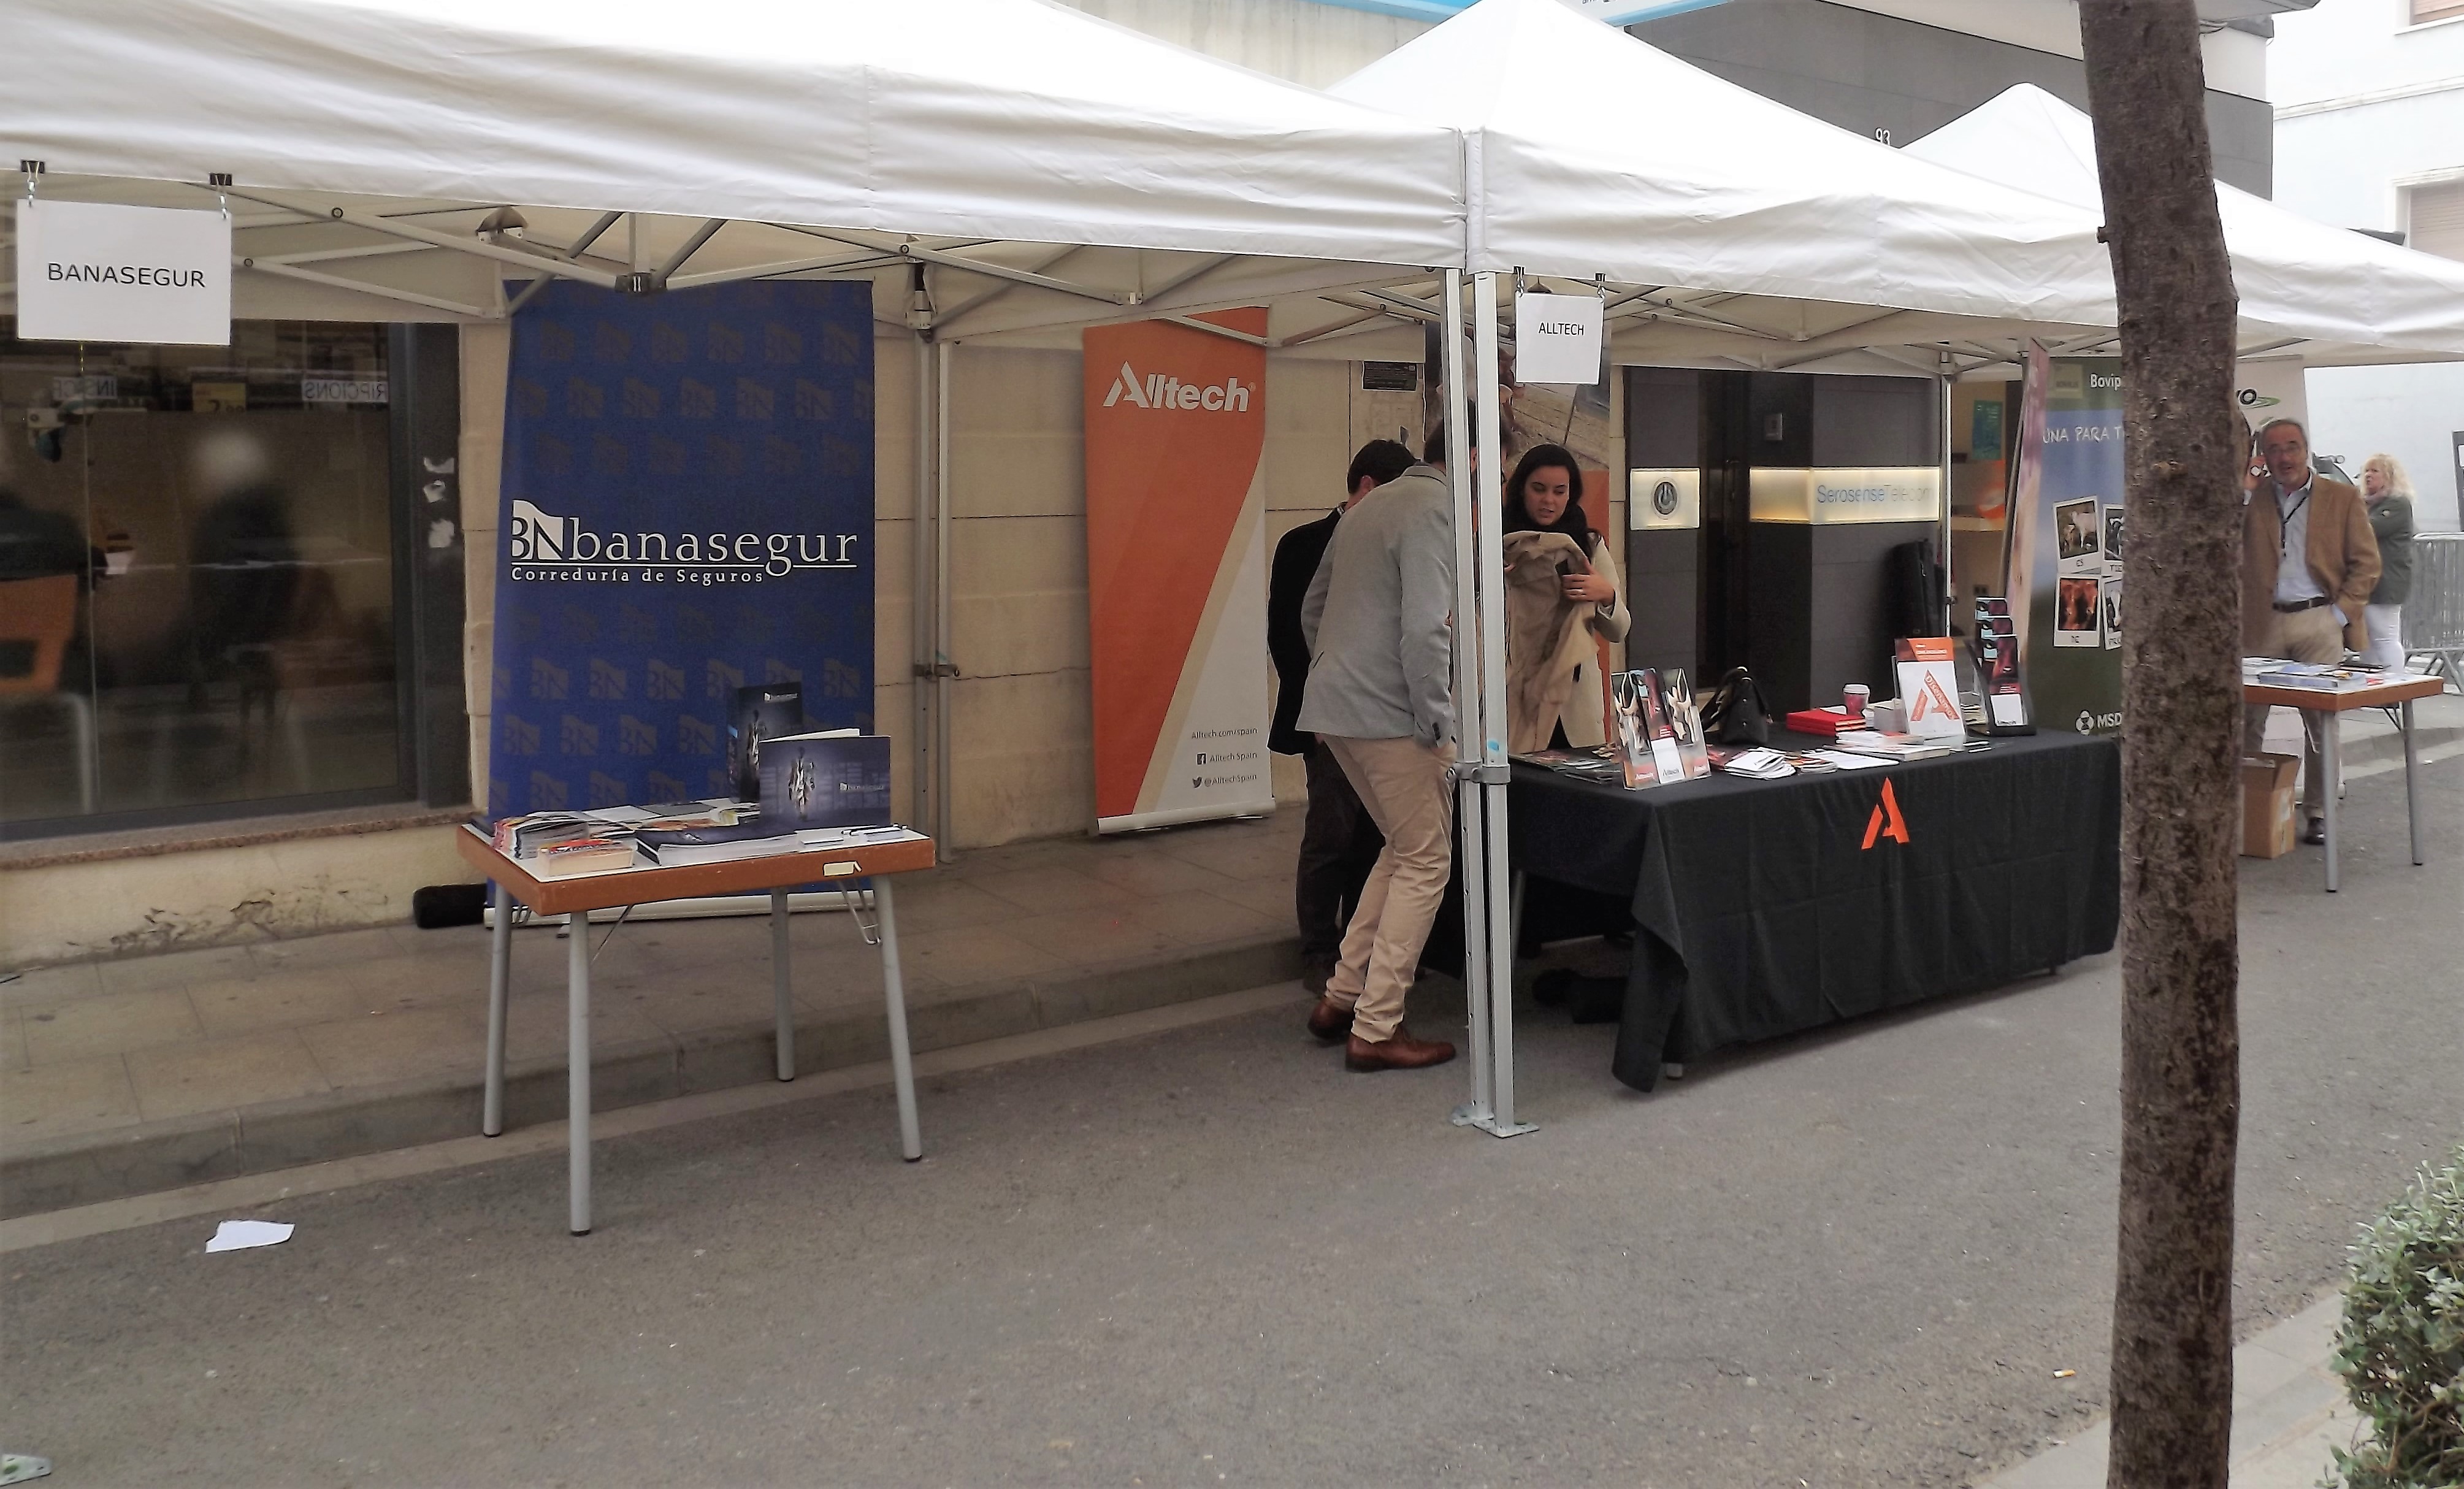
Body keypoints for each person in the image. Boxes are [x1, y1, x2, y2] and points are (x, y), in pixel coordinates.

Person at [1295, 424, 1464, 1072]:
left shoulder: (1371, 504)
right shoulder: (1435, 508)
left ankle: (1341, 998)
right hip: (1392, 713)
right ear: (1477, 457)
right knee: (1427, 862)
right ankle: (1377, 1025)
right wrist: (1437, 717)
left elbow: (1313, 609)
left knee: (1403, 849)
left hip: (1336, 706)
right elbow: (1426, 627)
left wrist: (1337, 671)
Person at [1268, 439, 1414, 995]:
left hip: (1386, 715)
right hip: (1328, 718)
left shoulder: (1396, 541)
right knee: (1331, 831)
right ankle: (1318, 948)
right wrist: (1319, 711)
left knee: (1378, 838)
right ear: (1369, 487)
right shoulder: (1304, 543)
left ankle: (1362, 947)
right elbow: (1287, 635)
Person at [2240, 417, 2379, 846]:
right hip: (2263, 623)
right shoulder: (2253, 498)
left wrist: (2338, 616)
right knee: (2247, 720)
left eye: (2292, 447)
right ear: (2263, 456)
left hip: (2318, 620)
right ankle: (2250, 809)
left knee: (2321, 724)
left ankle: (2319, 811)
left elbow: (2367, 563)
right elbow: (2224, 547)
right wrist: (2242, 493)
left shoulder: (2341, 497)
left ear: (2306, 450)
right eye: (2275, 449)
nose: (2284, 457)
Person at [1498, 443, 1628, 752]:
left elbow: (1620, 629)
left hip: (1572, 704)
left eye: (1560, 491)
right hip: (1512, 696)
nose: (1549, 501)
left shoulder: (1588, 547)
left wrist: (1605, 595)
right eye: (1539, 489)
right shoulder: (1496, 543)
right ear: (1521, 489)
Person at [2357, 453, 2416, 671]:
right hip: (2367, 579)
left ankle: (2394, 681)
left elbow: (2366, 530)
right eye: (2366, 471)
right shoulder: (2366, 504)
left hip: (2387, 580)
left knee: (2384, 637)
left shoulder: (2397, 504)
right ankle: (2373, 683)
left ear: (2390, 476)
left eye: (2375, 471)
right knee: (2367, 638)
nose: (2368, 475)